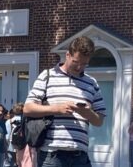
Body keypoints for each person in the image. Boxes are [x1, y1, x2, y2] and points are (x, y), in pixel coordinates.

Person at [24, 36, 106, 167]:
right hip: (52, 154)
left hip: (80, 155)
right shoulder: (47, 76)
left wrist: (87, 113)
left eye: (84, 64)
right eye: (76, 62)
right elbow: (27, 109)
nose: (79, 67)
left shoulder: (92, 83)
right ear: (67, 55)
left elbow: (99, 121)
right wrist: (56, 109)